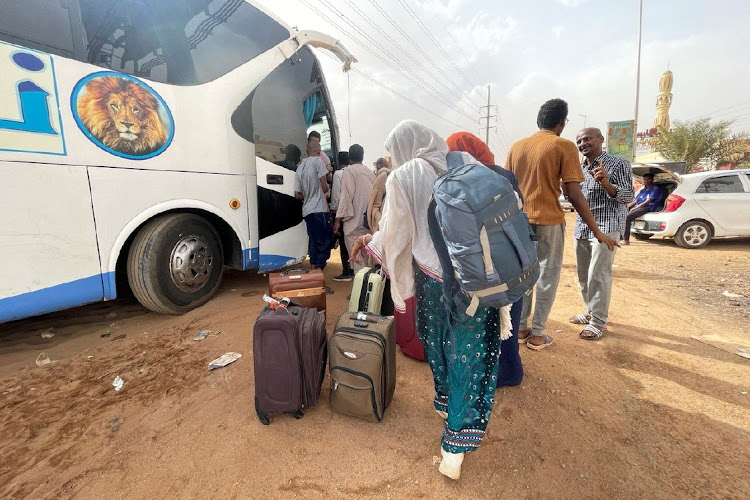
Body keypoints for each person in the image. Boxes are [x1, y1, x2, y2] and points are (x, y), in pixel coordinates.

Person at [351, 120, 512, 480]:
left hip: (436, 281)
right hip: (482, 279)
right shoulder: (467, 163)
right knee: (470, 354)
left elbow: (396, 233)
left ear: (405, 147)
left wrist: (372, 246)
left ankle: (451, 438)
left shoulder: (405, 174)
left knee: (438, 344)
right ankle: (451, 422)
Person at [505, 98, 618, 351]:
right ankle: (536, 335)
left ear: (538, 121)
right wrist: (597, 230)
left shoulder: (516, 147)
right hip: (549, 221)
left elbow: (508, 188)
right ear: (562, 123)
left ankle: (521, 329)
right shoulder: (563, 146)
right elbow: (573, 192)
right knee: (547, 276)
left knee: (523, 277)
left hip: (520, 221)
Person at [445, 131, 523, 387]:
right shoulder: (505, 174)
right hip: (513, 258)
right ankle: (510, 371)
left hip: (482, 264)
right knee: (508, 314)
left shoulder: (458, 179)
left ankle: (485, 374)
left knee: (483, 321)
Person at [571, 128, 634, 340]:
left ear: (600, 139)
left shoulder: (619, 164)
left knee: (598, 273)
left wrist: (606, 184)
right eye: (579, 141)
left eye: (587, 139)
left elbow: (627, 196)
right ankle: (590, 311)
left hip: (607, 225)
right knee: (583, 274)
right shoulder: (578, 168)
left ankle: (599, 322)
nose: (582, 144)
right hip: (582, 226)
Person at [334, 144, 376, 274]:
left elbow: (346, 197)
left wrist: (337, 221)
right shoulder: (370, 172)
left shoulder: (349, 171)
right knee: (369, 259)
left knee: (358, 261)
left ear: (349, 157)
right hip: (369, 222)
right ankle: (370, 291)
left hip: (354, 223)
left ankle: (362, 293)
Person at [294, 140, 332, 270]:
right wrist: (326, 189)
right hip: (319, 209)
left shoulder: (300, 167)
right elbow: (324, 187)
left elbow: (297, 195)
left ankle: (313, 268)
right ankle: (320, 270)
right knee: (324, 240)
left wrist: (308, 195)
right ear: (318, 151)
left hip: (307, 211)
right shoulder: (318, 162)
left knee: (313, 240)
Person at [330, 151, 354, 281]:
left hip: (342, 213)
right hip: (355, 213)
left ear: (338, 162)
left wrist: (333, 212)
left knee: (344, 243)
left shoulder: (339, 174)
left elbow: (336, 196)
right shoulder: (353, 172)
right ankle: (353, 268)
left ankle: (346, 271)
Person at [624, 173, 662, 244]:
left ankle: (626, 240)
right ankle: (620, 236)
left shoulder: (655, 188)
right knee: (622, 213)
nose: (646, 181)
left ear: (652, 180)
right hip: (639, 206)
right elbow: (636, 201)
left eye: (648, 179)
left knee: (628, 217)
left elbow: (648, 201)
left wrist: (635, 208)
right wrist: (628, 207)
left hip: (648, 207)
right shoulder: (643, 190)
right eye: (645, 179)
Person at [367, 158, 392, 233]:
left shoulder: (382, 176)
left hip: (385, 223)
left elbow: (374, 204)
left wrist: (379, 222)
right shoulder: (392, 175)